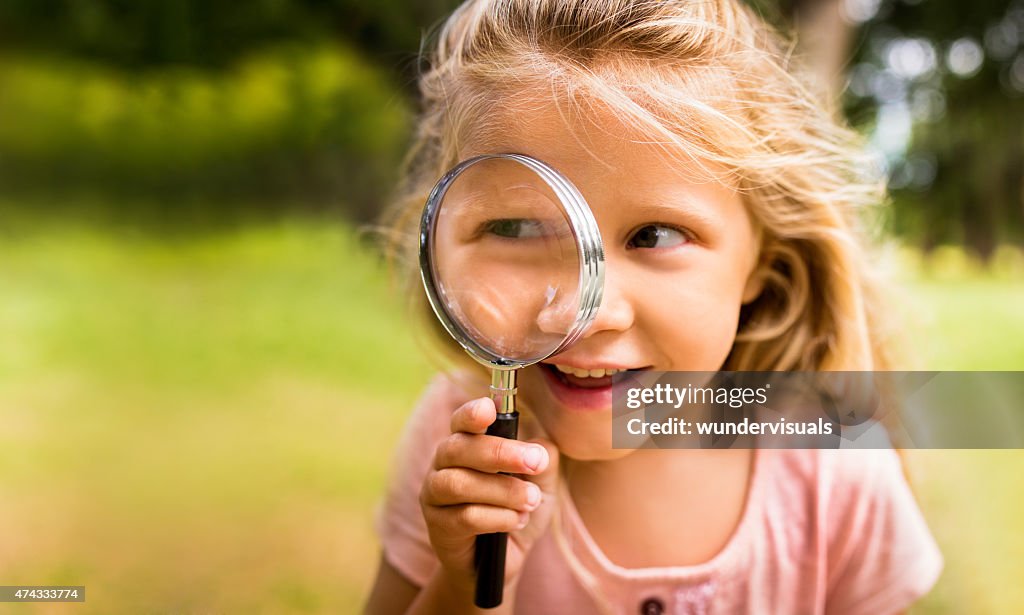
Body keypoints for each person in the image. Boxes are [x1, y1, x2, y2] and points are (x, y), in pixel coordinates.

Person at [364, 0, 943, 613]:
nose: (581, 313)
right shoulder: (455, 442)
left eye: (655, 236)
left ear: (762, 264)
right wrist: (463, 587)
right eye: (518, 229)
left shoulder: (835, 466)